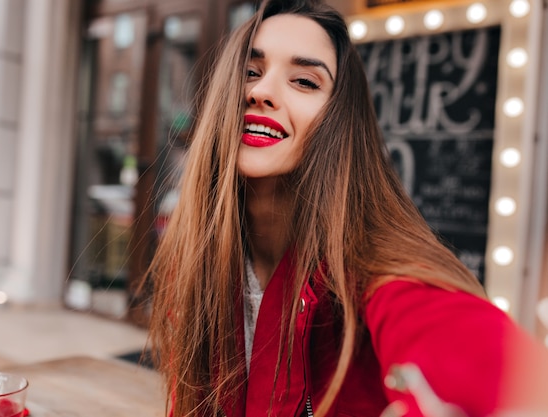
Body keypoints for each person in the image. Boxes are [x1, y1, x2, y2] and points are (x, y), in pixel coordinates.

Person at [144, 0, 548, 416]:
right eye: (250, 72)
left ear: (339, 120)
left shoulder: (373, 269)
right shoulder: (196, 257)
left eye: (304, 81)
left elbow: (478, 358)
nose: (261, 92)